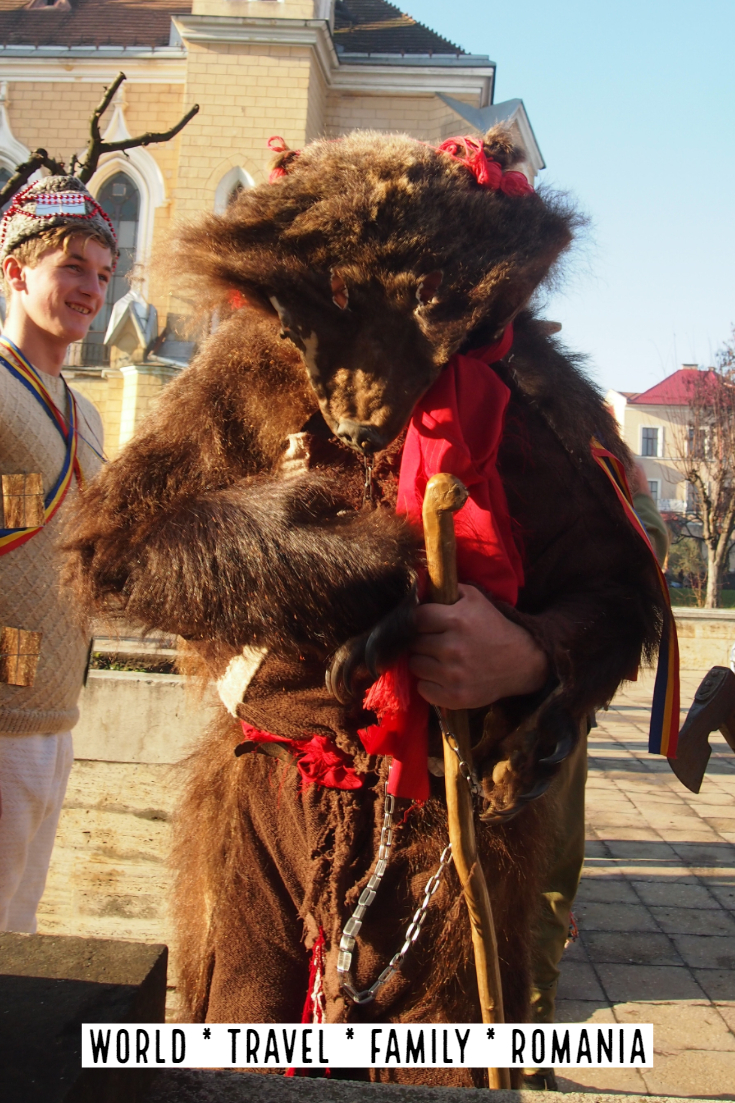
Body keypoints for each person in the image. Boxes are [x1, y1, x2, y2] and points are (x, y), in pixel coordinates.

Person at [523, 465, 669, 1090]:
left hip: (545, 693)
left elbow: (646, 542)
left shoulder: (579, 436)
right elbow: (645, 546)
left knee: (542, 880)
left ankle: (520, 1050)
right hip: (492, 696)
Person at [0, 176, 116, 932]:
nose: (91, 290)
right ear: (15, 271)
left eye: (103, 274)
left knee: (19, 931)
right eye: (72, 266)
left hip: (55, 711)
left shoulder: (88, 413)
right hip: (0, 702)